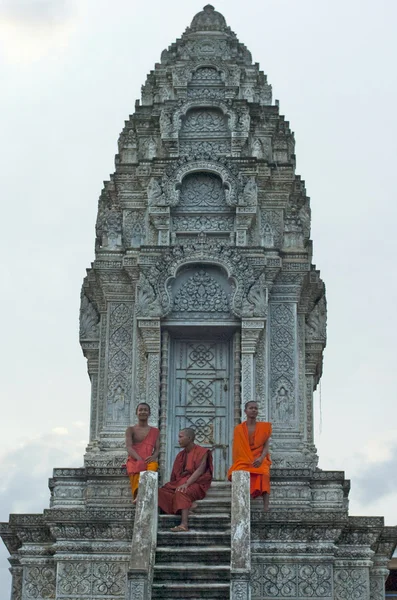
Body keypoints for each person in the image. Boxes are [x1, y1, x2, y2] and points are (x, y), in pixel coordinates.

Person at [158, 428, 213, 532]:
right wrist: (175, 485)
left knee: (181, 492)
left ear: (189, 438)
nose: (178, 440)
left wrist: (186, 484)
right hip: (181, 482)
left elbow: (200, 470)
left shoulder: (202, 451)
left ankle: (184, 524)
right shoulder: (180, 455)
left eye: (180, 437)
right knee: (160, 492)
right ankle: (187, 507)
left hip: (197, 484)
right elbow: (175, 476)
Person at [227, 401, 272, 511]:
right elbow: (238, 449)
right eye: (251, 408)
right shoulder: (239, 429)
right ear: (245, 411)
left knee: (264, 473)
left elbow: (266, 446)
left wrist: (261, 459)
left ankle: (266, 507)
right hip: (245, 459)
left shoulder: (263, 427)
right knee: (237, 471)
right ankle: (241, 504)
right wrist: (246, 460)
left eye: (256, 408)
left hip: (259, 458)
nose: (253, 410)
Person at [125, 402, 160, 503]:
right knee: (136, 467)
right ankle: (138, 495)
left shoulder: (155, 431)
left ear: (149, 413)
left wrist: (154, 456)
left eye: (145, 410)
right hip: (135, 459)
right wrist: (139, 458)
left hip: (148, 459)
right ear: (136, 413)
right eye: (140, 410)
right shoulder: (130, 430)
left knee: (152, 467)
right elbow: (129, 447)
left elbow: (157, 449)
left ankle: (141, 494)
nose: (143, 412)